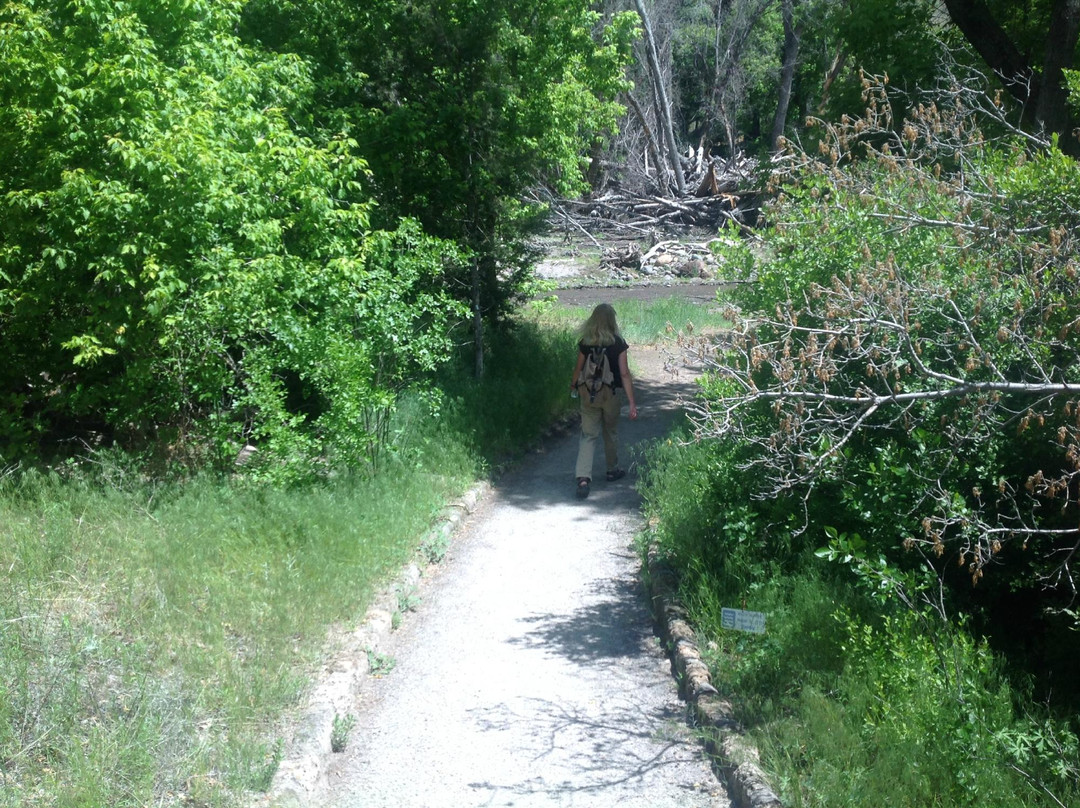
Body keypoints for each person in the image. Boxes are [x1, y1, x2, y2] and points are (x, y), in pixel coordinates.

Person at [569, 303, 638, 499]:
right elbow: (624, 374)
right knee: (610, 431)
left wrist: (573, 385)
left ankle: (583, 478)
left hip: (588, 394)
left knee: (588, 435)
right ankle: (612, 469)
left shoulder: (586, 342)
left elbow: (578, 368)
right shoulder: (618, 343)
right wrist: (632, 402)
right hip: (611, 394)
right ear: (612, 320)